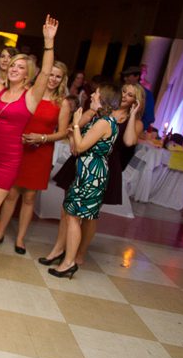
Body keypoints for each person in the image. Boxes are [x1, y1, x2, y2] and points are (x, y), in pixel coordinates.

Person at [0, 15, 58, 274]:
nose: (14, 69)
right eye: (12, 65)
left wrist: (49, 42)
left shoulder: (32, 96)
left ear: (27, 74)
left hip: (7, 161)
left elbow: (46, 71)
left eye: (20, 67)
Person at [42, 83, 144, 266]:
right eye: (123, 91)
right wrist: (76, 133)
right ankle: (59, 249)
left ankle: (78, 253)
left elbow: (129, 142)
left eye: (130, 95)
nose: (124, 96)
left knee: (89, 215)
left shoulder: (133, 122)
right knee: (67, 209)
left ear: (135, 101)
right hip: (82, 159)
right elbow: (73, 130)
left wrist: (133, 115)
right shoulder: (101, 110)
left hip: (103, 166)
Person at [0, 61, 71, 253]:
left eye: (58, 76)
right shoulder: (29, 93)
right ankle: (0, 232)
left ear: (62, 80)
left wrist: (42, 138)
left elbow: (63, 133)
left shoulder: (62, 103)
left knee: (29, 197)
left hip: (41, 153)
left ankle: (20, 239)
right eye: (51, 74)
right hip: (19, 148)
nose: (53, 79)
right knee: (11, 193)